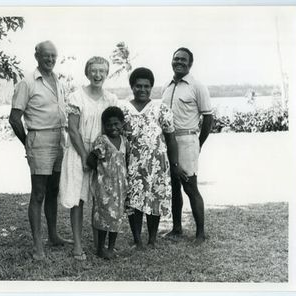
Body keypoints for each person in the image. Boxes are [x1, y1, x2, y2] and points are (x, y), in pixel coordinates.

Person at [9, 40, 71, 260]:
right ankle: (38, 245)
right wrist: (27, 142)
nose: (51, 60)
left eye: (54, 56)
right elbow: (14, 118)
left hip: (59, 138)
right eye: (46, 56)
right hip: (39, 138)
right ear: (37, 56)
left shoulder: (58, 80)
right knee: (38, 193)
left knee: (54, 190)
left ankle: (53, 236)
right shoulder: (27, 82)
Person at [59, 56, 118, 260]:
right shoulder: (76, 97)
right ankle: (77, 245)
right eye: (93, 70)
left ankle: (98, 244)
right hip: (78, 152)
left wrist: (102, 155)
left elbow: (113, 130)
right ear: (87, 72)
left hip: (102, 154)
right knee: (78, 199)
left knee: (100, 199)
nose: (97, 75)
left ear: (107, 73)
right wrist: (85, 156)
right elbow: (73, 131)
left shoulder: (111, 99)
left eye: (102, 71)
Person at [121, 67, 185, 249]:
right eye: (138, 86)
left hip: (157, 164)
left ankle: (152, 239)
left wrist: (174, 164)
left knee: (154, 199)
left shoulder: (161, 109)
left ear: (151, 87)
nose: (142, 90)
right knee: (133, 201)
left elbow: (171, 138)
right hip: (131, 163)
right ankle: (137, 239)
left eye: (146, 86)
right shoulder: (123, 109)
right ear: (132, 87)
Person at [161, 47, 213, 244]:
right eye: (176, 59)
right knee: (174, 187)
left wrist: (198, 143)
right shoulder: (166, 86)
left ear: (190, 64)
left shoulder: (197, 86)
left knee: (190, 186)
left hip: (187, 140)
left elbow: (208, 118)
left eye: (183, 60)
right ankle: (176, 228)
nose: (179, 62)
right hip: (168, 141)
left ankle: (200, 233)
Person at [87, 106, 129, 259]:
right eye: (109, 125)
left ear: (122, 124)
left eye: (116, 124)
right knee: (104, 217)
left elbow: (125, 161)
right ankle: (100, 248)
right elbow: (91, 159)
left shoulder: (124, 140)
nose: (113, 127)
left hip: (120, 188)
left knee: (116, 217)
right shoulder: (102, 140)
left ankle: (111, 248)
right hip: (105, 187)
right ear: (104, 125)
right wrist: (101, 171)